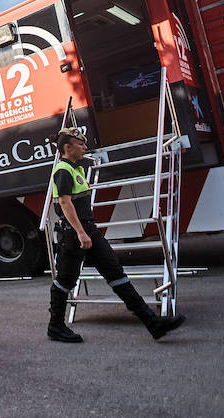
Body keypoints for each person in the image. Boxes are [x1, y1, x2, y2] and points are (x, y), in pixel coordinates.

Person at [48, 127, 186, 342]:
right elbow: (65, 204)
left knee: (115, 272)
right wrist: (81, 233)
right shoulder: (63, 170)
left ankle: (153, 323)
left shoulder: (76, 169)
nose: (85, 147)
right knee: (65, 280)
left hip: (88, 230)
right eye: (80, 144)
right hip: (74, 234)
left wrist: (87, 231)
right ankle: (55, 327)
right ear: (67, 147)